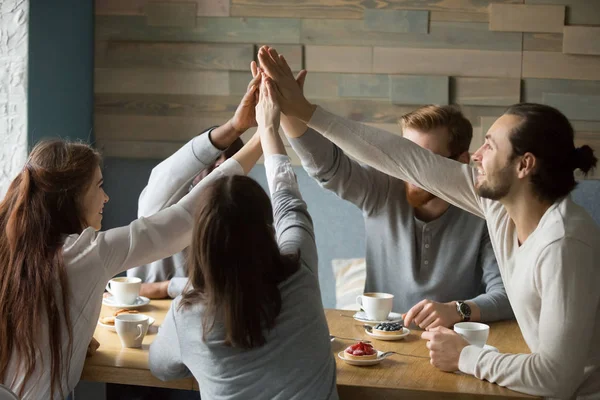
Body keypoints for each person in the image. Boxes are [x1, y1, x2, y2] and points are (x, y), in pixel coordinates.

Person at [257, 45, 600, 399]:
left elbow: (556, 378)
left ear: (523, 166)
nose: (477, 157)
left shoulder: (564, 244)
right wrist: (304, 112)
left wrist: (465, 355)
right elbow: (404, 159)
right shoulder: (498, 208)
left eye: (490, 147)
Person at [0, 73, 263, 399]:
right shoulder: (85, 255)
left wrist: (72, 337)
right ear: (72, 196)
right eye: (99, 186)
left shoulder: (11, 247)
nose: (106, 198)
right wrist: (261, 138)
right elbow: (182, 218)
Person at [148, 70, 339, 400]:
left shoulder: (188, 315)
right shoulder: (301, 271)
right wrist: (268, 128)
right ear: (267, 229)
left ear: (200, 242)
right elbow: (288, 199)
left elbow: (162, 369)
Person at [282, 103, 513, 329]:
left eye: (423, 162)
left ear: (461, 162)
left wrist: (456, 310)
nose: (409, 172)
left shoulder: (484, 213)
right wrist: (286, 108)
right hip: (378, 347)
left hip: (450, 346)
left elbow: (505, 295)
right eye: (404, 160)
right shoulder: (381, 188)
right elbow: (326, 167)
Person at [127, 121, 247, 300]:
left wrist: (167, 287)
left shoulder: (239, 214)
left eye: (230, 158)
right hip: (144, 307)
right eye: (215, 157)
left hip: (200, 308)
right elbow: (169, 175)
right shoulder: (162, 199)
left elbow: (232, 283)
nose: (221, 164)